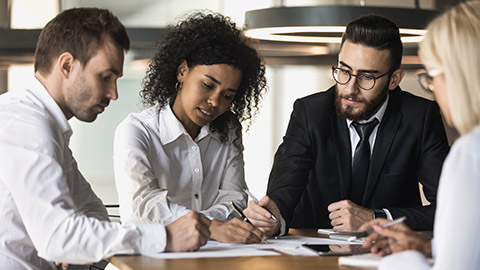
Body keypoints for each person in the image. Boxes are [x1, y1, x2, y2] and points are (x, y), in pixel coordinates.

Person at [0, 8, 211, 270]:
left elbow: (91, 208)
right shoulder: (26, 125)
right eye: (105, 77)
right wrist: (165, 237)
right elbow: (58, 237)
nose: (113, 93)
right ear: (67, 65)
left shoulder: (46, 124)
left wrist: (77, 243)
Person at [243, 14, 450, 237]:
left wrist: (377, 217)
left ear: (394, 79)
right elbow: (283, 196)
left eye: (367, 77)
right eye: (344, 71)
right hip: (311, 253)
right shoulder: (309, 113)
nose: (350, 88)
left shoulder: (420, 117)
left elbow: (450, 209)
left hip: (389, 253)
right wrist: (274, 219)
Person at [113, 12, 267, 244]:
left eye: (227, 96)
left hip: (209, 258)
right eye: (207, 85)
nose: (215, 102)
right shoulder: (137, 131)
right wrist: (212, 227)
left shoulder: (229, 130)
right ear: (182, 71)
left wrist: (206, 227)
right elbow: (142, 207)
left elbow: (234, 198)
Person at [359, 2, 480, 269]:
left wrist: (399, 261)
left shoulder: (470, 153)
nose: (433, 89)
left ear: (460, 77)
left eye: (433, 77)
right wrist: (428, 246)